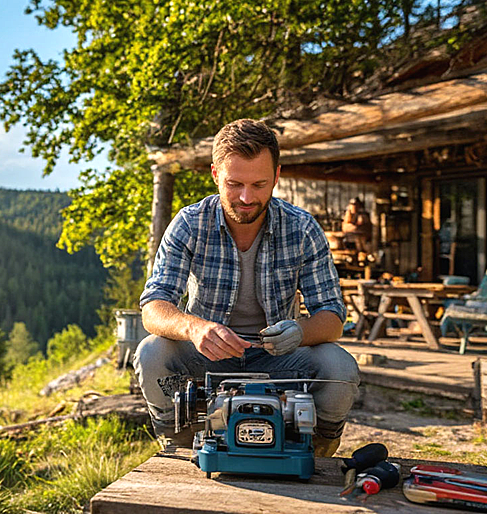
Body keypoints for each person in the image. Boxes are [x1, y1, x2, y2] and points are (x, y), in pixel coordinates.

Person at [134, 118, 359, 458]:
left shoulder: (302, 228)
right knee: (151, 353)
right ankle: (177, 446)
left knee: (340, 368)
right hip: (206, 356)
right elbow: (154, 306)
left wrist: (300, 332)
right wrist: (195, 328)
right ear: (215, 175)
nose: (246, 197)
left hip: (281, 360)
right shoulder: (189, 224)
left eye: (259, 184)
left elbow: (332, 317)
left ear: (277, 177)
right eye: (234, 183)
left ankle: (317, 453)